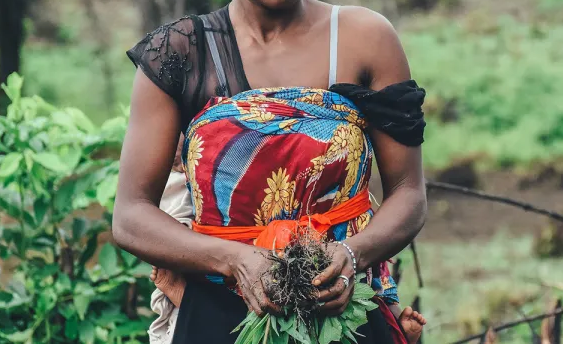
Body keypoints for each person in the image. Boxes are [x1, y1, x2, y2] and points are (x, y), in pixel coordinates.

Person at [113, 0, 428, 342]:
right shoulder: (180, 55)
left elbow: (409, 194)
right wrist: (235, 261)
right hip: (220, 314)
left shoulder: (364, 41)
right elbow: (131, 215)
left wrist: (351, 256)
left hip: (341, 306)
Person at [148, 139, 426, 343]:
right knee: (236, 307)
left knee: (348, 297)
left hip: (332, 233)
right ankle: (183, 295)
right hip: (226, 236)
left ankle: (394, 323)